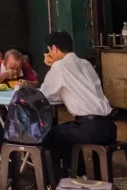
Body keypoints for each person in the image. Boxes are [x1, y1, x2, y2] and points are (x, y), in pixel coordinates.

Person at [41, 30, 116, 180]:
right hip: (109, 127)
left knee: (50, 134)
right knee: (68, 131)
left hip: (90, 129)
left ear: (54, 49)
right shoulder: (85, 63)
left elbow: (45, 94)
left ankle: (56, 180)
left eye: (49, 50)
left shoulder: (60, 66)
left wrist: (53, 66)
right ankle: (79, 173)